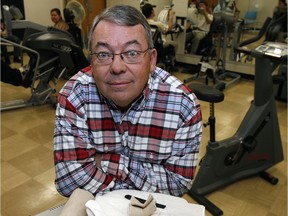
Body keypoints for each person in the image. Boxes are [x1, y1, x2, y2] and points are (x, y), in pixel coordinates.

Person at [53, 5, 202, 198]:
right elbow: (68, 181)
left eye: (131, 53)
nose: (117, 67)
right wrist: (145, 176)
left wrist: (105, 161)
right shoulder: (74, 96)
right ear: (92, 60)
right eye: (104, 54)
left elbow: (178, 185)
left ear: (152, 59)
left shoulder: (183, 105)